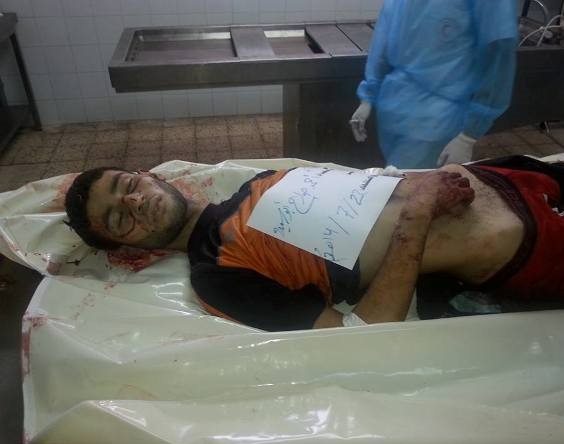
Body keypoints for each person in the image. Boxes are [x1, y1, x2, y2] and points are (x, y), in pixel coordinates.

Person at [64, 155, 564, 331]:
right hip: (528, 244)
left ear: (149, 176)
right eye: (119, 218)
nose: (134, 203)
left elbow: (373, 186)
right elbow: (363, 332)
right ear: (132, 252)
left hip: (513, 176)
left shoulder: (261, 180)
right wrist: (417, 213)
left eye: (127, 187)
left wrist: (428, 183)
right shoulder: (216, 276)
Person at [350, 0, 518, 169]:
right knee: (396, 178)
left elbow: (498, 51)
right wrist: (368, 97)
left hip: (436, 120)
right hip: (393, 110)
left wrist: (468, 136)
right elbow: (385, 38)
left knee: (409, 183)